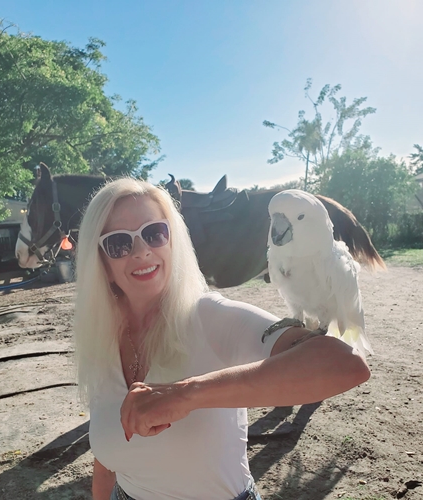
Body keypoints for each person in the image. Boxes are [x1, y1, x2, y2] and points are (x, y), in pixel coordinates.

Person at [73, 178, 370, 500]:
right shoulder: (99, 337)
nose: (142, 251)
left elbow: (345, 365)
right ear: (100, 260)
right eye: (119, 243)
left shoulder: (209, 315)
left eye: (154, 233)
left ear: (173, 241)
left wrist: (186, 394)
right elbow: (105, 464)